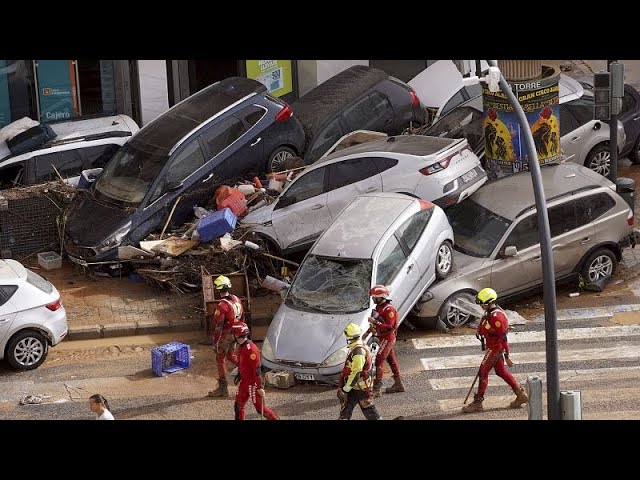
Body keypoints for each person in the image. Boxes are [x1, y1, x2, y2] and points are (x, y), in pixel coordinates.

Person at [462, 287, 528, 413]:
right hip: (492, 347)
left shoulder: (497, 318)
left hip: (495, 348)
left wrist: (507, 356)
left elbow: (503, 338)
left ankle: (478, 402)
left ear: (489, 302)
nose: (481, 306)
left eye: (482, 303)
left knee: (483, 372)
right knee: (500, 372)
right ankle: (520, 394)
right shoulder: (490, 312)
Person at [231, 322, 279, 420]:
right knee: (238, 406)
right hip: (244, 382)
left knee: (260, 409)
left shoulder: (251, 350)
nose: (234, 337)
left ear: (238, 335)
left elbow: (256, 369)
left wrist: (259, 387)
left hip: (253, 383)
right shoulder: (242, 347)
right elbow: (243, 364)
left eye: (235, 334)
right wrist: (240, 374)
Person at [208, 275, 244, 398]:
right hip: (237, 332)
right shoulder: (237, 299)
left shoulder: (222, 305)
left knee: (220, 358)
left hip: (227, 334)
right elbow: (242, 318)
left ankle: (223, 388)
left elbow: (219, 325)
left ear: (218, 289)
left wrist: (215, 341)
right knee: (230, 355)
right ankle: (248, 371)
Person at [337, 323, 381, 420]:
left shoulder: (358, 352)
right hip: (354, 386)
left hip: (360, 388)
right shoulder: (356, 347)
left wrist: (345, 389)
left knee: (369, 410)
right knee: (346, 410)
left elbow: (356, 373)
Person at [368, 285, 405, 398]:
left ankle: (376, 389)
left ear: (381, 297)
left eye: (375, 297)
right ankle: (399, 384)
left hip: (387, 338)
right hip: (382, 337)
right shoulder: (379, 307)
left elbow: (389, 327)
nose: (373, 299)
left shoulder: (389, 310)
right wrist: (368, 331)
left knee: (379, 361)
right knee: (391, 360)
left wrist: (375, 322)